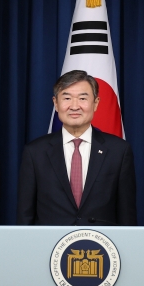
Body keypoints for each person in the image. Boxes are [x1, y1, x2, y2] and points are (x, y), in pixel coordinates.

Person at [17, 70, 137, 226]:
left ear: (96, 103)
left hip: (100, 247)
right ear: (56, 103)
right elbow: (25, 215)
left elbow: (126, 215)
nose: (74, 106)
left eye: (82, 98)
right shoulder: (35, 152)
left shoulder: (119, 151)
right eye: (67, 98)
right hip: (50, 247)